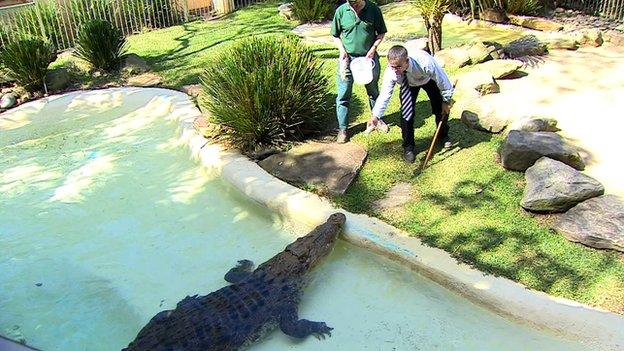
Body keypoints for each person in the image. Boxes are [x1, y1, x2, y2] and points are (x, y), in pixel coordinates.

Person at [370, 45, 454, 163]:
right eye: (392, 66)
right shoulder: (391, 71)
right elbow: (385, 94)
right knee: (406, 114)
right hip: (408, 84)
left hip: (428, 79)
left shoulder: (425, 62)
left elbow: (443, 81)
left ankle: (443, 135)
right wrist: (375, 116)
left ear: (407, 61)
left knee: (440, 108)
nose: (395, 70)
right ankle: (408, 147)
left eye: (398, 66)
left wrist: (446, 101)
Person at [331, 0, 387, 143]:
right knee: (343, 94)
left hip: (369, 59)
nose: (353, 6)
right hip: (347, 60)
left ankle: (377, 120)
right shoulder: (342, 11)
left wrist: (373, 49)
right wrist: (342, 50)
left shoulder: (373, 9)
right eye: (350, 3)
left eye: (355, 3)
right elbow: (335, 35)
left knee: (373, 91)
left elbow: (381, 33)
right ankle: (343, 129)